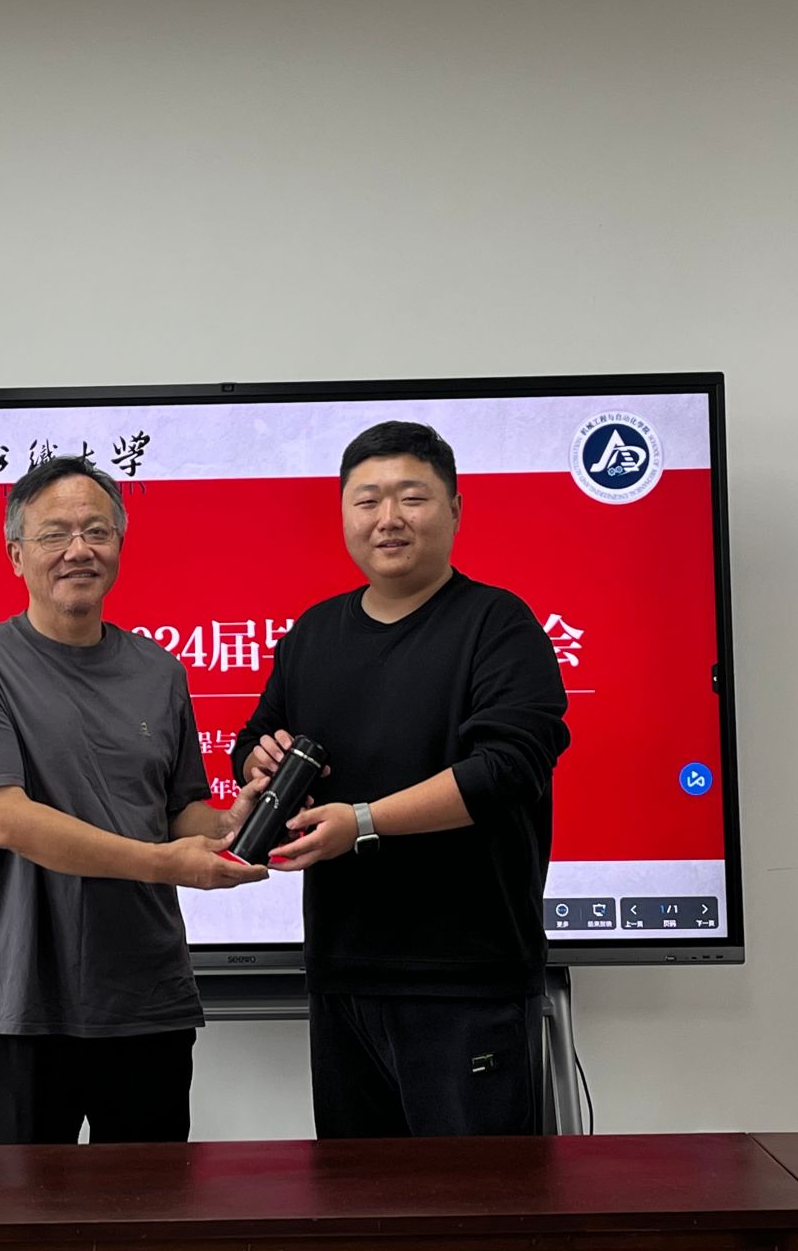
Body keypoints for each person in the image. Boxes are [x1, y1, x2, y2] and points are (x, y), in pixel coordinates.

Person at [232, 420, 569, 1138]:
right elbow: (252, 741)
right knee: (357, 1198)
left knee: (475, 1199)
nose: (388, 518)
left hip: (466, 977)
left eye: (411, 497)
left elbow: (505, 771)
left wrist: (363, 822)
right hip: (343, 972)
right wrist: (259, 763)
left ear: (455, 509)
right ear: (344, 514)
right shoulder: (313, 633)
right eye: (367, 500)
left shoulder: (498, 625)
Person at [0, 455, 266, 1145]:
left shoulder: (159, 671)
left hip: (148, 999)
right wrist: (165, 865)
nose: (79, 549)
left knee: (151, 1206)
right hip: (26, 1003)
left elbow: (178, 812)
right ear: (16, 556)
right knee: (15, 1208)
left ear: (119, 544)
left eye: (97, 531)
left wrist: (236, 820)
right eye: (55, 534)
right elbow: (8, 821)